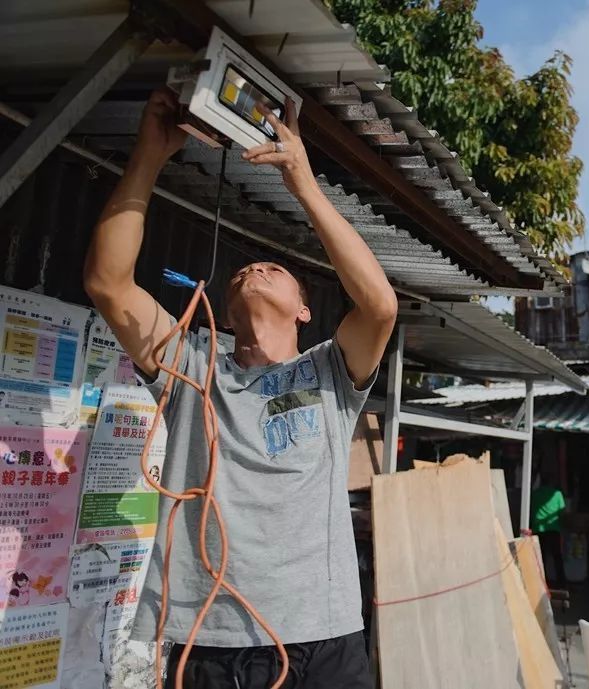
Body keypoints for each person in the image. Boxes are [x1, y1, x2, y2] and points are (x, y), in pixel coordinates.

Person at [84, 88, 397, 689]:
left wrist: (302, 178)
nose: (255, 268)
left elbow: (379, 305)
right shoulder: (191, 364)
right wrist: (150, 155)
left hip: (323, 639)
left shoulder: (330, 371)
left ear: (305, 311)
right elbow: (107, 283)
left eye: (275, 269)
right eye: (243, 272)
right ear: (222, 315)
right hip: (206, 640)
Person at [530, 469, 567, 586]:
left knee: (541, 558)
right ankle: (562, 583)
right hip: (553, 529)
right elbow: (562, 512)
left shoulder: (534, 494)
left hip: (538, 531)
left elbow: (530, 510)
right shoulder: (557, 494)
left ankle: (542, 584)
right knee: (557, 557)